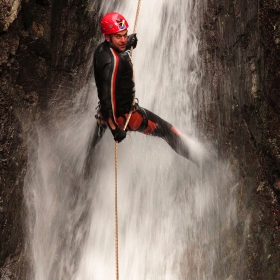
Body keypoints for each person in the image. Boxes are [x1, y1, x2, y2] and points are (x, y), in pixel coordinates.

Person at [91, 12, 193, 162]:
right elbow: (107, 97)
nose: (123, 39)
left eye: (125, 35)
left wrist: (126, 46)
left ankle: (80, 168)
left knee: (91, 143)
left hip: (104, 115)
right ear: (107, 37)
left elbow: (108, 90)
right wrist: (115, 129)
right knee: (168, 131)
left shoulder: (101, 50)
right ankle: (205, 164)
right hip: (125, 117)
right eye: (118, 37)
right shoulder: (113, 63)